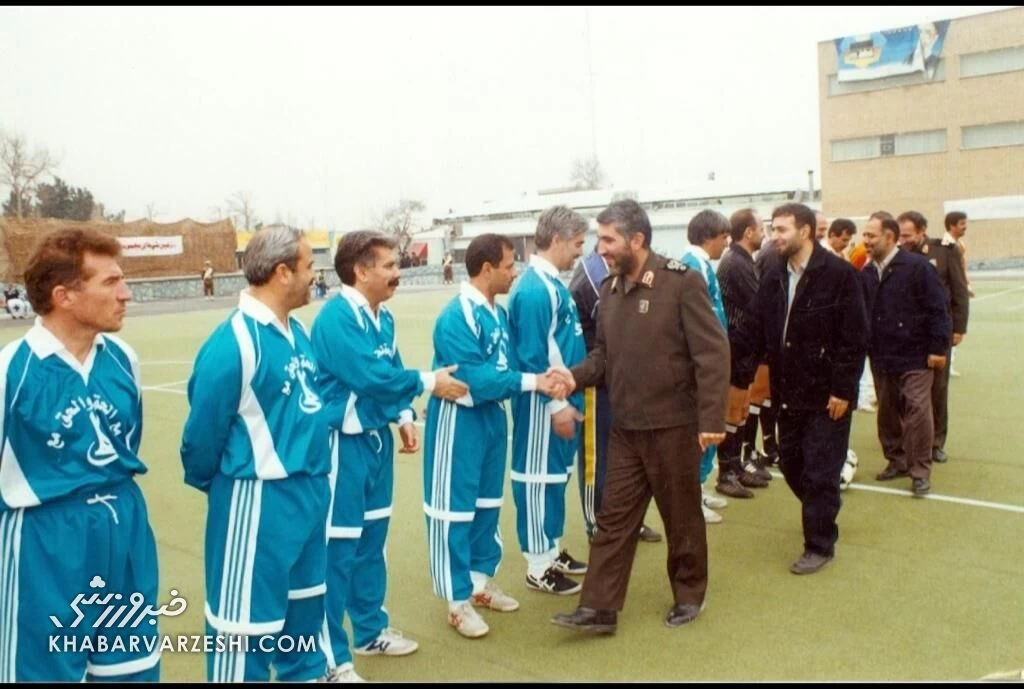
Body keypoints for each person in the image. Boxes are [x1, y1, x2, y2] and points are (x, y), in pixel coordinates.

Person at [549, 199, 729, 633]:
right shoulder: (610, 292)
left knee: (681, 516)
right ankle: (599, 608)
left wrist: (710, 420)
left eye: (608, 239)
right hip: (627, 429)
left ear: (637, 239)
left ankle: (689, 595)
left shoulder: (679, 283)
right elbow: (605, 358)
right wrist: (571, 378)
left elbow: (713, 352)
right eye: (598, 239)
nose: (600, 248)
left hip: (674, 426)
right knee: (613, 519)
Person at [2, 228, 160, 681]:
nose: (126, 294)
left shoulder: (123, 359)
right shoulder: (12, 371)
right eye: (110, 282)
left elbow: (127, 446)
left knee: (132, 668)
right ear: (64, 296)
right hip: (44, 540)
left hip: (123, 528)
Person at [310, 231, 468, 679]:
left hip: (376, 444)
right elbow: (372, 377)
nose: (398, 273)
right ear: (361, 271)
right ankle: (329, 659)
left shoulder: (383, 318)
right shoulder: (336, 318)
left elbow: (392, 369)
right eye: (390, 266)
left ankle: (369, 631)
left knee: (370, 545)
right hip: (343, 446)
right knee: (337, 551)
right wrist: (429, 382)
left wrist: (403, 417)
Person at [180, 225, 332, 682]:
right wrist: (235, 487)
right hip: (258, 502)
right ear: (282, 272)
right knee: (243, 635)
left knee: (303, 628)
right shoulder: (234, 343)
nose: (316, 275)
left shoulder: (297, 331)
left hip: (309, 496)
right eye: (309, 267)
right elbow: (200, 439)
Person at [423, 233, 567, 639]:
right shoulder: (456, 317)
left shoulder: (496, 311)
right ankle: (456, 601)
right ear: (486, 269)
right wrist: (532, 381)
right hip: (459, 422)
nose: (514, 271)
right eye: (508, 265)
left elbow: (508, 369)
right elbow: (475, 380)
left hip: (492, 422)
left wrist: (543, 378)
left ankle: (479, 583)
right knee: (454, 509)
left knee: (488, 504)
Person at [727, 203, 868, 575]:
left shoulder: (838, 274)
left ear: (805, 232)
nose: (774, 237)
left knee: (821, 471)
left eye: (782, 230)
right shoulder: (774, 273)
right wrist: (720, 356)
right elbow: (754, 328)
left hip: (827, 396)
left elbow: (854, 338)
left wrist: (843, 391)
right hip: (788, 393)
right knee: (791, 464)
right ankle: (822, 509)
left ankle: (819, 544)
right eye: (773, 229)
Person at [507, 206, 590, 595]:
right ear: (556, 240)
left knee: (556, 476)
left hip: (563, 396)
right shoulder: (534, 289)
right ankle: (537, 565)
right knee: (537, 477)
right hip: (543, 405)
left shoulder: (552, 283)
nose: (580, 251)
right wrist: (556, 406)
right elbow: (532, 355)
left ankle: (550, 549)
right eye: (576, 244)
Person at [569, 252, 663, 545]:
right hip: (598, 381)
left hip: (625, 379)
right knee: (598, 457)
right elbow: (624, 319)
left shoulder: (628, 267)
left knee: (629, 456)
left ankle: (626, 521)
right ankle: (597, 524)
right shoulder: (593, 269)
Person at [861, 213, 951, 498]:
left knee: (917, 409)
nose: (866, 241)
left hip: (916, 354)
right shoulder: (866, 273)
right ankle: (896, 461)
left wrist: (938, 349)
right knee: (887, 411)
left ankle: (920, 471)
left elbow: (939, 309)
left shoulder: (918, 267)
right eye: (865, 235)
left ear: (890, 237)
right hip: (882, 355)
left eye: (871, 236)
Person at [897, 211, 969, 464]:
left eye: (908, 235)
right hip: (907, 335)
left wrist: (958, 328)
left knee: (938, 390)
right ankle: (911, 442)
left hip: (938, 332)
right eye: (901, 235)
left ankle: (936, 443)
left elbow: (959, 290)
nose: (903, 240)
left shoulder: (944, 251)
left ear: (922, 231)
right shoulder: (899, 256)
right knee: (907, 392)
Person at [680, 209, 732, 524]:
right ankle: (691, 500)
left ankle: (699, 488)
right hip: (700, 366)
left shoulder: (702, 265)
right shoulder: (691, 266)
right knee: (699, 430)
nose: (726, 244)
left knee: (709, 428)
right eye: (724, 238)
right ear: (708, 237)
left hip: (711, 362)